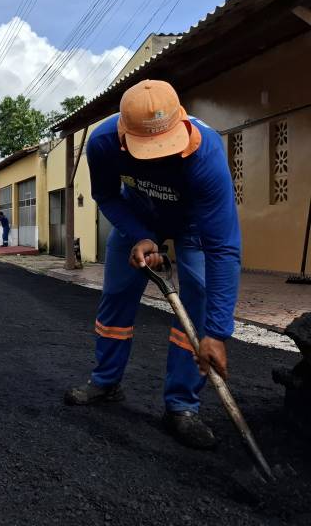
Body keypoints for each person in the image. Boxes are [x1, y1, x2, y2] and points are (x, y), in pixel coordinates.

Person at [64, 80, 240, 450]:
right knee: (115, 297)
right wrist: (141, 235)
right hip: (137, 217)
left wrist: (217, 333)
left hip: (192, 226)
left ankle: (182, 406)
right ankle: (106, 382)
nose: (159, 156)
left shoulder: (206, 153)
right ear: (125, 135)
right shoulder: (102, 143)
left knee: (199, 302)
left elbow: (223, 247)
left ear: (180, 125)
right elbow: (106, 196)